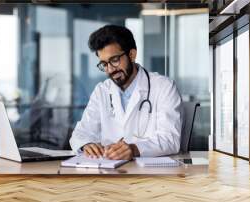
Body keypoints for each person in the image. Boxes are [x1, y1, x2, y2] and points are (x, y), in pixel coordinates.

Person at [69, 25, 182, 160]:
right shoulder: (102, 90)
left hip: (149, 175)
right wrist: (86, 144)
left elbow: (170, 139)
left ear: (132, 54)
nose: (110, 70)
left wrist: (134, 149)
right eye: (104, 64)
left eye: (114, 60)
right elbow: (81, 133)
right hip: (109, 172)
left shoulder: (164, 87)